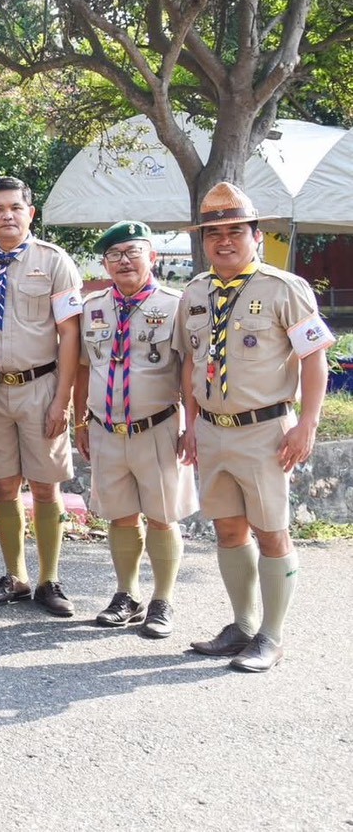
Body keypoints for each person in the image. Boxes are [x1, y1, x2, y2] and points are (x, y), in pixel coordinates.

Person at [179, 183, 331, 672]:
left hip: (265, 431)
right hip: (213, 430)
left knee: (270, 532)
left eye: (235, 232)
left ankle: (272, 635)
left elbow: (314, 358)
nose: (224, 241)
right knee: (227, 529)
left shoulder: (284, 288)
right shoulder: (195, 292)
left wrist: (307, 423)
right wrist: (191, 423)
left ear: (256, 236)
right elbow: (190, 363)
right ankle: (242, 626)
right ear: (204, 241)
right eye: (213, 233)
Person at [0, 176, 83, 616]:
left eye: (15, 207)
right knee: (4, 485)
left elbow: (70, 334)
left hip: (41, 387)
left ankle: (50, 580)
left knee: (47, 487)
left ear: (30, 213)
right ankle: (15, 576)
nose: (7, 215)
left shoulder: (54, 261)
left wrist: (62, 400)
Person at [72, 221, 195, 639]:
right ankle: (127, 594)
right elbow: (83, 369)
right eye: (114, 255)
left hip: (158, 427)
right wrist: (80, 421)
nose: (123, 261)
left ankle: (163, 599)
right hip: (106, 428)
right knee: (120, 515)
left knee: (162, 516)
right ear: (105, 263)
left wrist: (191, 426)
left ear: (152, 257)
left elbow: (190, 370)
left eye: (132, 252)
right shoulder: (93, 307)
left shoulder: (175, 305)